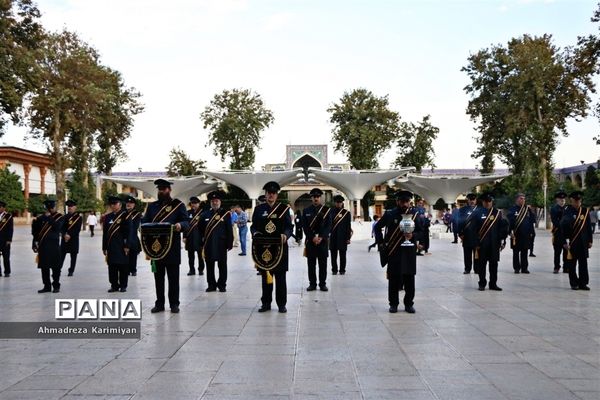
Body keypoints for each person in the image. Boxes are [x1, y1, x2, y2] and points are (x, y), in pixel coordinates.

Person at [142, 179, 189, 313]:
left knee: (173, 278)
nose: (161, 191)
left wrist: (181, 226)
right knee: (158, 278)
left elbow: (186, 221)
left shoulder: (178, 205)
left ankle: (174, 304)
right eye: (159, 189)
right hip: (156, 249)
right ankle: (159, 304)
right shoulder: (152, 206)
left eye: (163, 189)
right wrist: (140, 225)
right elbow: (145, 222)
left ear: (169, 190)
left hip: (172, 247)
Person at [374, 190, 422, 313]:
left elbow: (421, 231)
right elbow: (377, 227)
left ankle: (409, 304)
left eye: (407, 201)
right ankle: (393, 304)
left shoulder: (415, 215)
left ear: (410, 202)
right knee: (394, 278)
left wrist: (413, 236)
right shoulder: (390, 214)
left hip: (409, 250)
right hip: (394, 251)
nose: (404, 204)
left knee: (409, 279)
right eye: (402, 201)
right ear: (397, 201)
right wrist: (381, 243)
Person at [252, 181, 293, 313]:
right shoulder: (259, 209)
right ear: (265, 194)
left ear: (277, 195)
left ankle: (281, 304)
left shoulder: (284, 209)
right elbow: (254, 226)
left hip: (280, 248)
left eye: (273, 193)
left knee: (280, 278)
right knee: (266, 278)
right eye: (269, 193)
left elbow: (289, 227)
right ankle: (266, 303)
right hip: (263, 248)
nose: (271, 195)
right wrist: (255, 233)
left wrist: (286, 235)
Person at [471, 193, 509, 291]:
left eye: (489, 201)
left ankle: (493, 284)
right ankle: (482, 283)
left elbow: (502, 228)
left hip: (494, 244)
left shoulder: (497, 213)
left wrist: (502, 240)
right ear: (483, 202)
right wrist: (476, 243)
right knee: (482, 265)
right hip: (482, 244)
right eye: (486, 201)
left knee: (494, 265)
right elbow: (473, 229)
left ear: (492, 202)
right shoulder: (477, 213)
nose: (488, 203)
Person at [199, 191, 233, 292]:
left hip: (221, 244)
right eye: (213, 201)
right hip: (209, 244)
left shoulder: (225, 214)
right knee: (209, 265)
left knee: (222, 265)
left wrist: (229, 243)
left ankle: (222, 284)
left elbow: (229, 230)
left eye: (216, 200)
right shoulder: (204, 214)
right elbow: (200, 228)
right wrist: (202, 242)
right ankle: (211, 285)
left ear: (220, 201)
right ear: (210, 202)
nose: (215, 202)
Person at [560, 191, 593, 290]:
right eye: (576, 201)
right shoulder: (567, 211)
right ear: (572, 201)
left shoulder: (585, 211)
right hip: (572, 242)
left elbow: (588, 227)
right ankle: (574, 283)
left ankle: (583, 283)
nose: (578, 203)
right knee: (572, 264)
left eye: (579, 201)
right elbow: (562, 228)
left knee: (583, 264)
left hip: (583, 242)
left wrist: (590, 240)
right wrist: (564, 242)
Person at [302, 188, 331, 291]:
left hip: (322, 241)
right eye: (314, 197)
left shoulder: (326, 210)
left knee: (323, 264)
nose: (316, 198)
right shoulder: (306, 211)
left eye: (317, 197)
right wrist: (312, 237)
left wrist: (321, 237)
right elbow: (305, 227)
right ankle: (312, 284)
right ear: (311, 198)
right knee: (311, 264)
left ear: (320, 197)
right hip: (311, 241)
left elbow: (328, 226)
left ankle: (322, 284)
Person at [102, 196, 133, 292]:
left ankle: (123, 285)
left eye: (115, 204)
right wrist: (104, 246)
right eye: (111, 204)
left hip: (122, 246)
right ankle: (114, 285)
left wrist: (127, 245)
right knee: (112, 266)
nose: (113, 205)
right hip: (111, 246)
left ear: (120, 204)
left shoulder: (126, 215)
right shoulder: (107, 217)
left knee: (123, 266)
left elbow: (130, 232)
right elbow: (105, 233)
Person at [33, 200, 64, 293]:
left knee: (55, 267)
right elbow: (35, 232)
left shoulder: (59, 217)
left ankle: (56, 286)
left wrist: (49, 217)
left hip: (54, 246)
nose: (50, 209)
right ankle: (47, 286)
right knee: (44, 267)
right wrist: (34, 243)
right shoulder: (40, 218)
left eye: (51, 207)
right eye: (48, 208)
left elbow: (57, 227)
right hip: (43, 245)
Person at [507, 193, 536, 274]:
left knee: (525, 252)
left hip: (526, 234)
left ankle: (524, 268)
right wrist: (510, 232)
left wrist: (532, 233)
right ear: (517, 199)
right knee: (516, 252)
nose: (523, 200)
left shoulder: (527, 209)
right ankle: (516, 268)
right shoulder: (512, 209)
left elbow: (531, 221)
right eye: (521, 198)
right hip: (516, 235)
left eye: (524, 198)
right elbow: (509, 222)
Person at [329, 195, 352, 275]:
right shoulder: (330, 212)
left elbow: (348, 226)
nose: (338, 204)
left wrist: (348, 238)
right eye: (337, 202)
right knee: (333, 255)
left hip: (343, 237)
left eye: (340, 202)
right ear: (335, 203)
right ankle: (334, 270)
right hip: (333, 236)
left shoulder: (346, 213)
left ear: (342, 203)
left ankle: (342, 270)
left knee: (343, 255)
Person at [458, 193, 479, 274]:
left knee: (477, 254)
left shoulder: (480, 209)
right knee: (467, 254)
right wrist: (460, 233)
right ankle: (467, 268)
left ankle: (477, 269)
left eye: (473, 199)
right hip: (466, 235)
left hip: (477, 235)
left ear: (476, 200)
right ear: (468, 200)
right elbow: (459, 222)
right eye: (470, 200)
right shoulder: (462, 210)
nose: (472, 201)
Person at [61, 200, 82, 276]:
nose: (70, 208)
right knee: (61, 255)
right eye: (69, 206)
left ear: (75, 207)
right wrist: (64, 234)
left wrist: (69, 235)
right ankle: (58, 269)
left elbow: (77, 229)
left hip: (73, 239)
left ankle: (71, 270)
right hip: (65, 239)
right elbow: (62, 228)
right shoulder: (64, 217)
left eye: (71, 206)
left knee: (73, 256)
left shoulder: (78, 218)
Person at [184, 197, 204, 275]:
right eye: (192, 203)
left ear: (199, 204)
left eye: (195, 203)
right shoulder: (188, 213)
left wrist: (204, 237)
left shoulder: (202, 213)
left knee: (200, 255)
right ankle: (192, 270)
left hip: (199, 237)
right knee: (190, 256)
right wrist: (184, 236)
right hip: (190, 237)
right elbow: (185, 225)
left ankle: (201, 269)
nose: (194, 205)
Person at [550, 191, 568, 274]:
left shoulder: (568, 208)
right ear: (557, 200)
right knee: (557, 252)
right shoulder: (554, 209)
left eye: (564, 199)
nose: (563, 200)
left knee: (566, 252)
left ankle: (566, 267)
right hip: (558, 233)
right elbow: (555, 221)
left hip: (567, 234)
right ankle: (556, 267)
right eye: (561, 199)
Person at [124, 196, 141, 276]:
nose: (129, 204)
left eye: (131, 203)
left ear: (134, 205)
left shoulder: (137, 214)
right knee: (125, 255)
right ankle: (126, 270)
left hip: (133, 237)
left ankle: (133, 269)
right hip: (123, 237)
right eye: (127, 203)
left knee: (133, 254)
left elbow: (135, 226)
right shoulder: (123, 213)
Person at [0, 201, 13, 277]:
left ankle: (7, 272)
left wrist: (9, 239)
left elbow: (10, 229)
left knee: (6, 257)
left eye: (0, 207)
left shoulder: (8, 216)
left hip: (5, 240)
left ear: (3, 208)